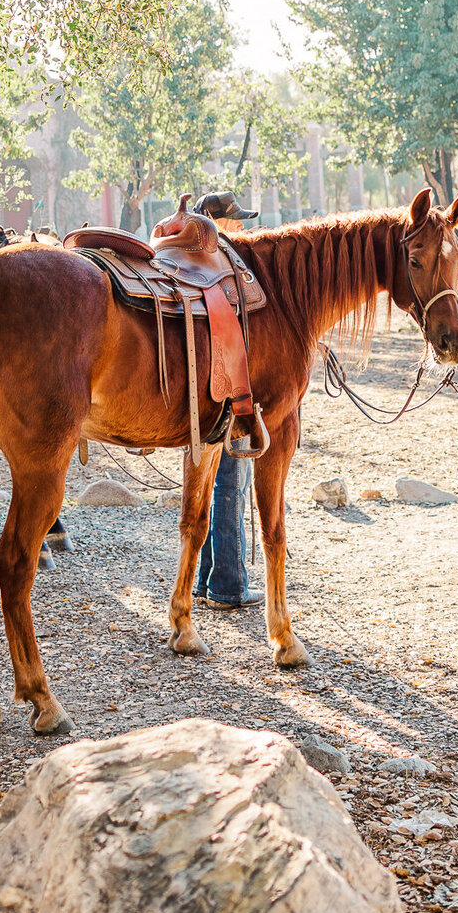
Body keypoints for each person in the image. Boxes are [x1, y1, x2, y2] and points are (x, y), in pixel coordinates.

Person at [191, 192, 264, 610]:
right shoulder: (225, 273)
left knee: (212, 481)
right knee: (231, 481)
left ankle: (206, 578)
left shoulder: (205, 271)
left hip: (207, 393)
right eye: (236, 221)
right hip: (229, 393)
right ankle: (229, 584)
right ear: (219, 224)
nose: (243, 227)